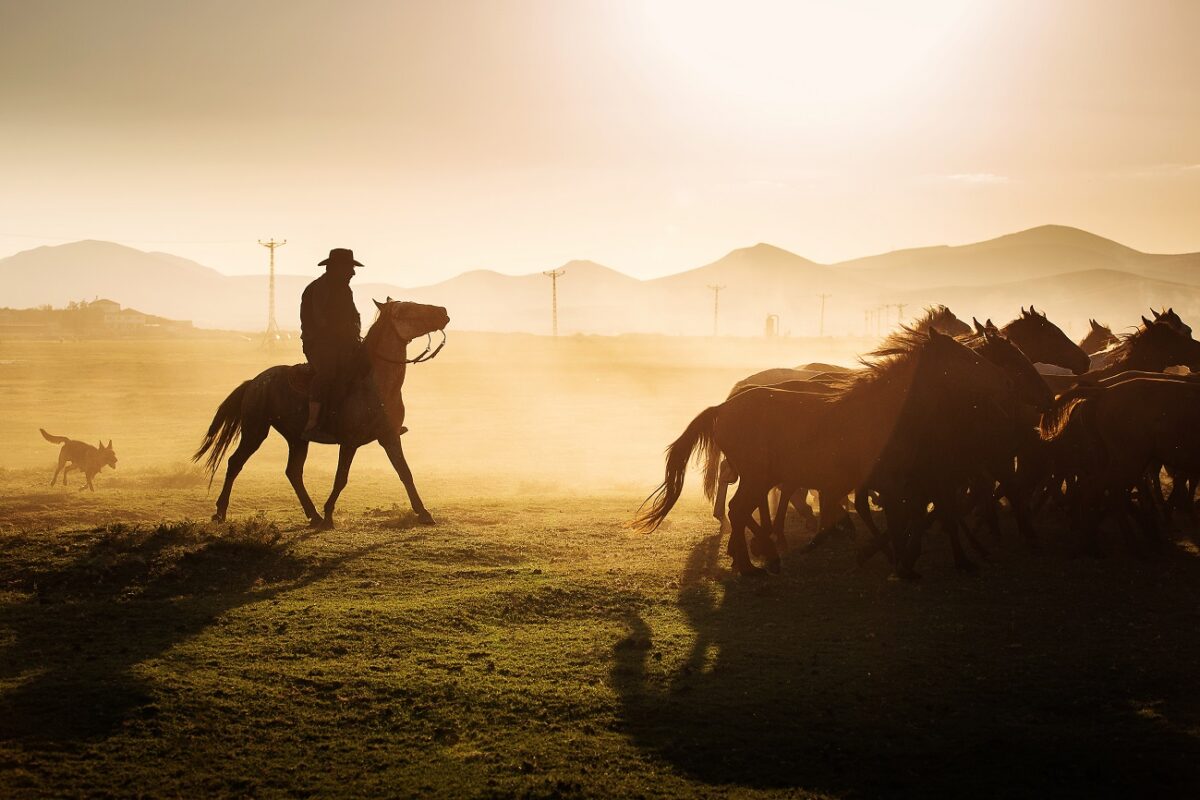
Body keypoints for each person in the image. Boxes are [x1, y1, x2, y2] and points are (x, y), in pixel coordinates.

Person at [300, 248, 363, 438]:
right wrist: (345, 335)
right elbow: (320, 322)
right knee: (327, 373)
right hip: (318, 344)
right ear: (336, 268)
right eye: (349, 268)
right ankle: (312, 423)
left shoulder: (345, 289)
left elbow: (354, 315)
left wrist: (355, 333)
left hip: (343, 344)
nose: (353, 273)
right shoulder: (318, 289)